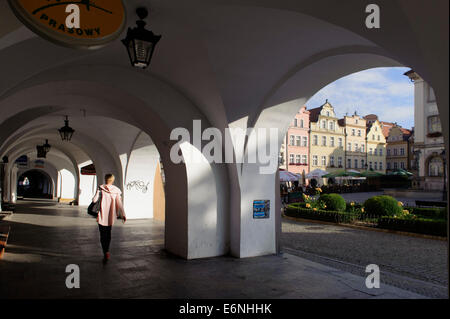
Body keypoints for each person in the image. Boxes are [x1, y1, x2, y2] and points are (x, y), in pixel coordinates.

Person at [92, 174, 126, 263]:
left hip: (101, 216)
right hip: (110, 216)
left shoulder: (101, 188)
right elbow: (119, 204)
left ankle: (105, 251)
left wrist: (97, 192)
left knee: (102, 235)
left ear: (105, 179)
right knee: (108, 233)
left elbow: (94, 200)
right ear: (113, 180)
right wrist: (123, 214)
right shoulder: (116, 190)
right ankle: (107, 250)